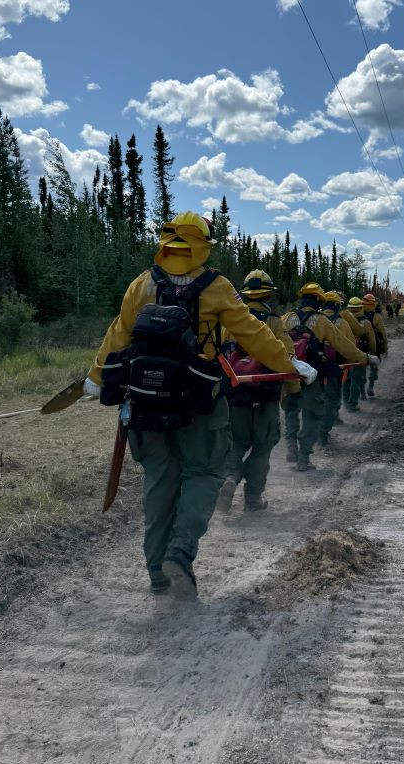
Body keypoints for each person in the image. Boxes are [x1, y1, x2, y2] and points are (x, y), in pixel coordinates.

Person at [85, 212, 308, 600]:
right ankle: (181, 551)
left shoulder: (142, 284)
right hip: (198, 402)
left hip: (145, 403)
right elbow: (253, 335)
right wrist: (290, 367)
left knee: (159, 479)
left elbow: (118, 333)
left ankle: (156, 571)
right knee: (204, 473)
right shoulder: (217, 287)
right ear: (202, 244)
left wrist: (97, 377)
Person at [216, 270, 297, 513]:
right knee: (263, 446)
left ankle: (230, 478)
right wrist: (293, 387)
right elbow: (288, 356)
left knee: (236, 444)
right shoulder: (274, 322)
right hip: (266, 398)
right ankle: (252, 499)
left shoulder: (228, 322)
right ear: (269, 294)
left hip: (235, 397)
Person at [283, 282, 375, 471]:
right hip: (311, 376)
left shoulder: (287, 318)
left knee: (291, 411)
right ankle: (303, 459)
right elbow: (344, 345)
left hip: (288, 374)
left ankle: (291, 448)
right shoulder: (321, 321)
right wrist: (365, 357)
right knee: (312, 414)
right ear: (318, 301)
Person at [318, 291, 354, 446]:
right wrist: (349, 365)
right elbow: (350, 345)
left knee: (318, 400)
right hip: (335, 368)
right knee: (332, 400)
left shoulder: (315, 320)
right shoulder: (342, 323)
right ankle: (323, 433)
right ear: (336, 306)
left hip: (315, 368)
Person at [341, 297, 375, 411]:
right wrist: (372, 355)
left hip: (345, 354)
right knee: (357, 379)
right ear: (361, 307)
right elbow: (372, 341)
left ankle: (345, 401)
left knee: (346, 378)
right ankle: (352, 404)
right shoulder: (366, 322)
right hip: (360, 355)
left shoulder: (343, 321)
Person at [362, 293, 388, 398]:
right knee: (374, 367)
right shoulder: (377, 317)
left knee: (361, 369)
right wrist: (385, 347)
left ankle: (362, 392)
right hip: (375, 346)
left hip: (361, 346)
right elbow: (383, 334)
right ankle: (371, 386)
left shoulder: (358, 316)